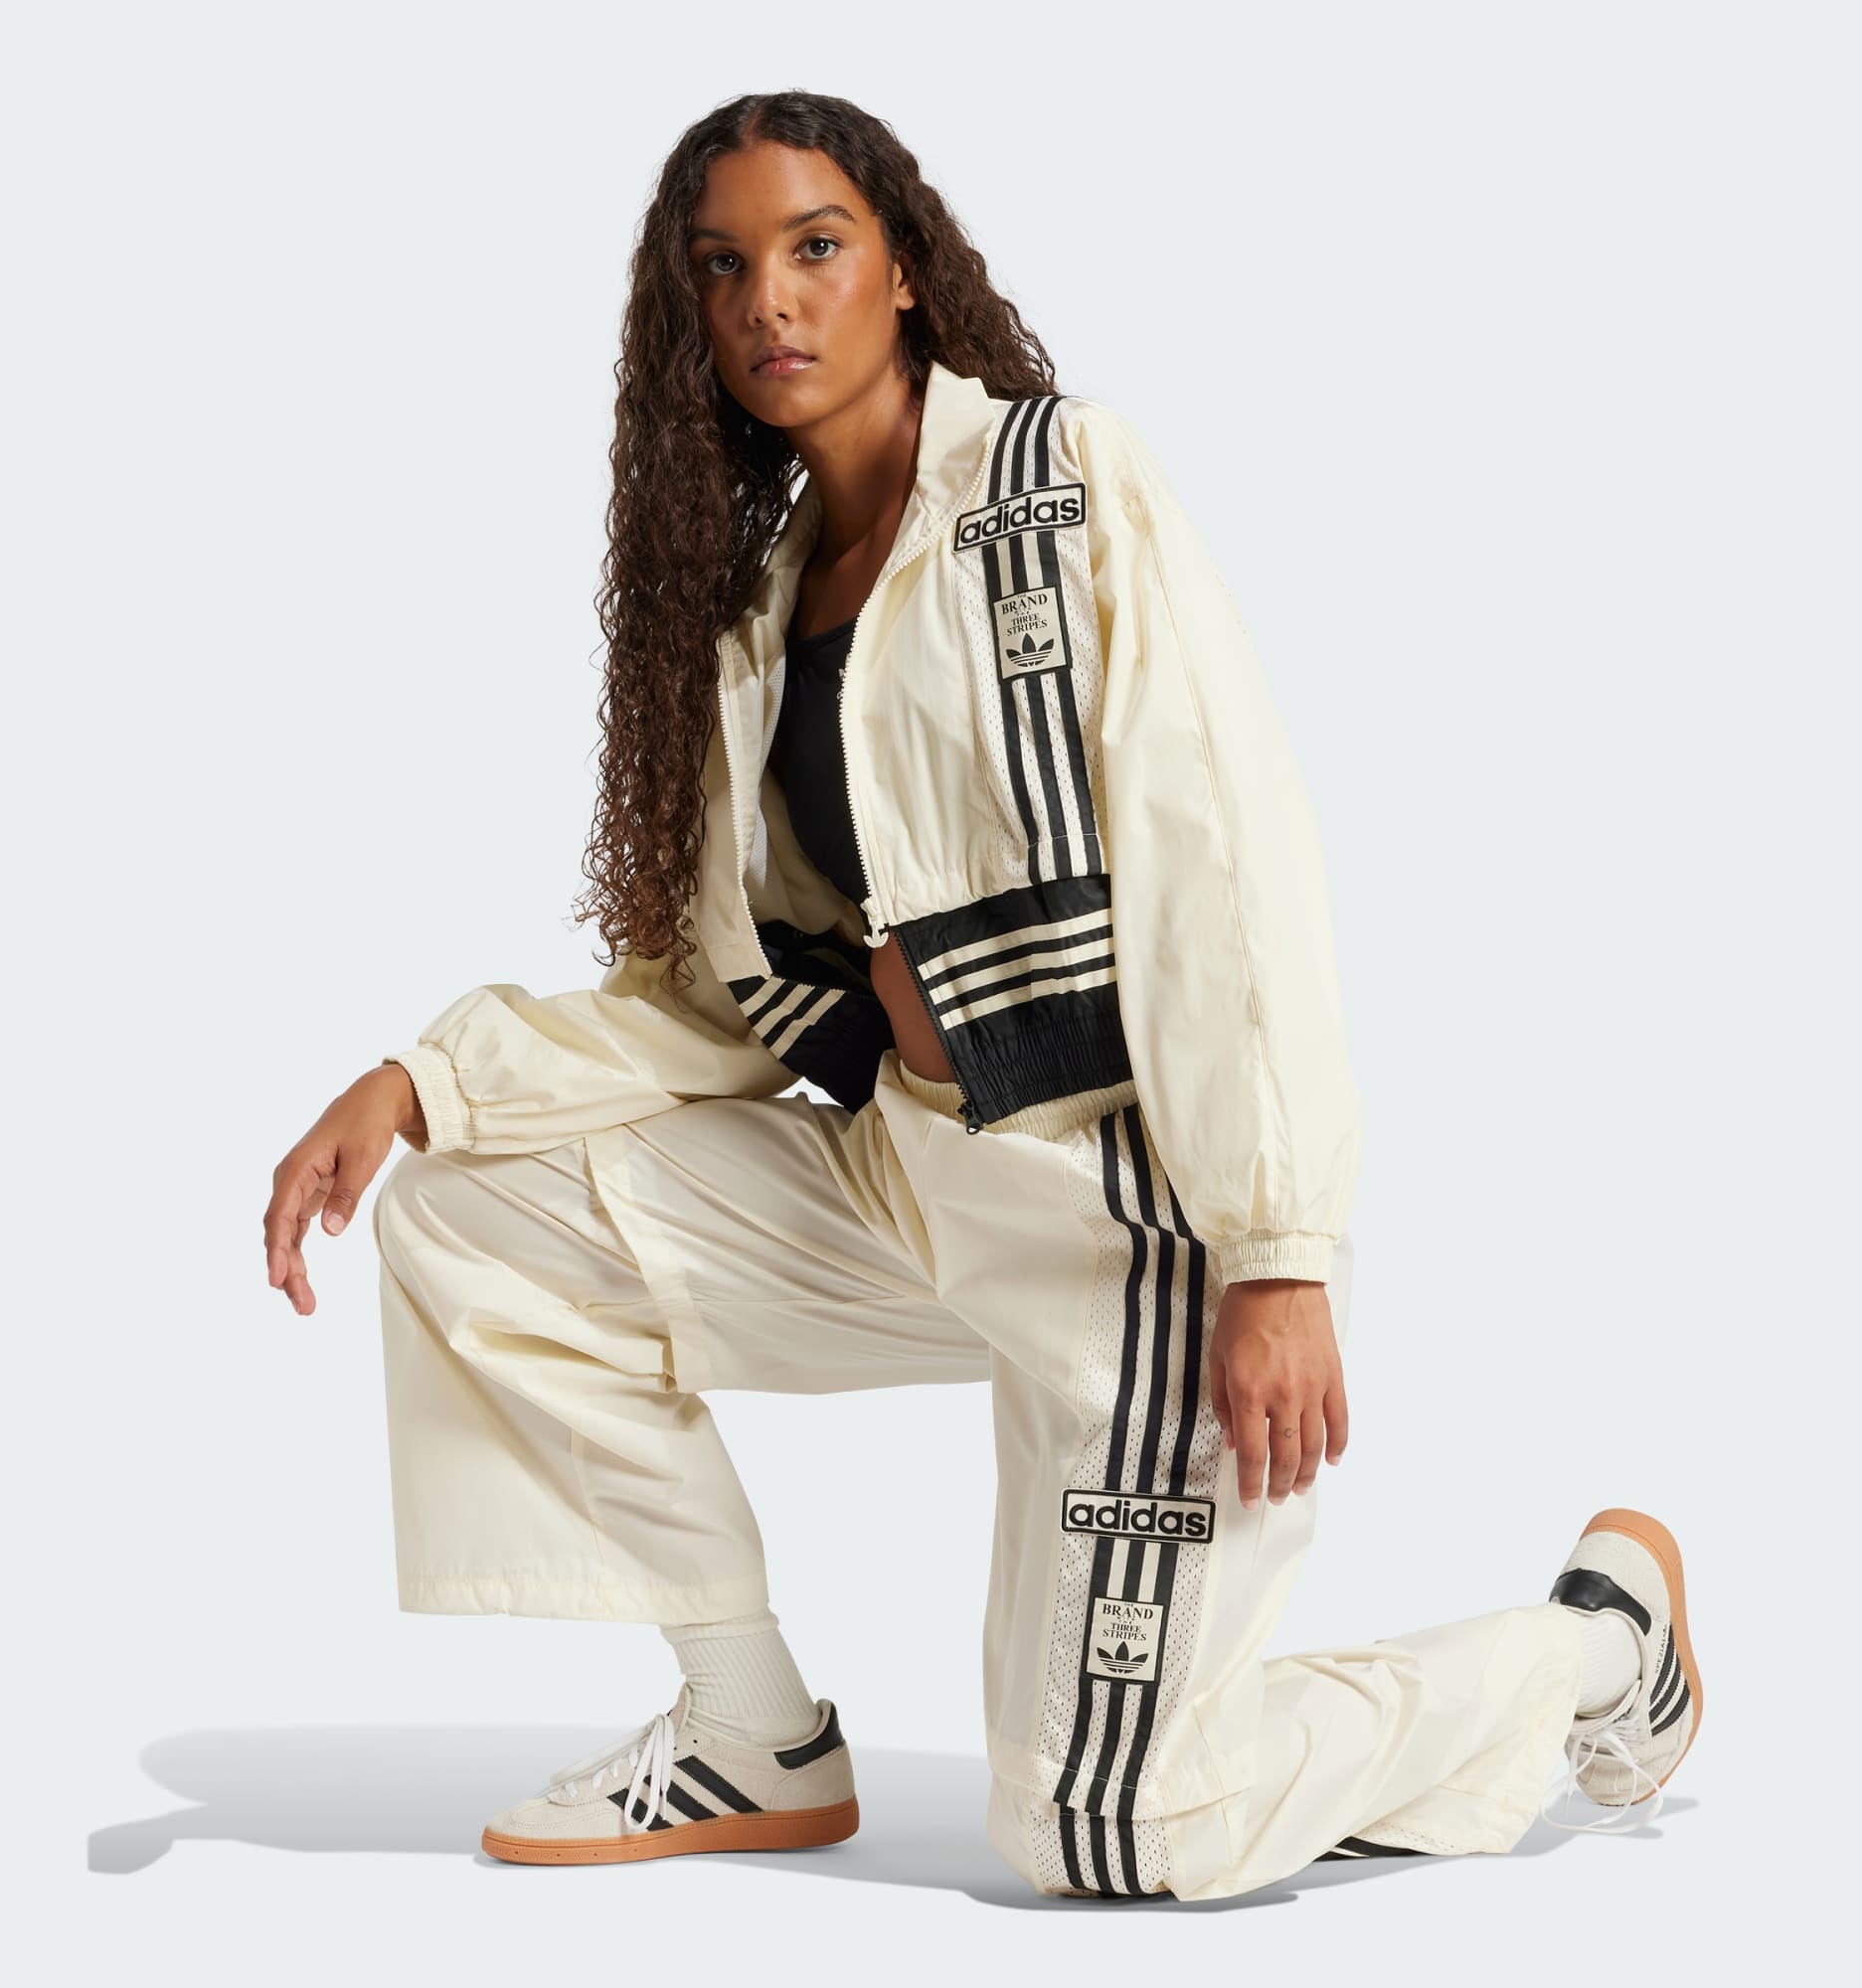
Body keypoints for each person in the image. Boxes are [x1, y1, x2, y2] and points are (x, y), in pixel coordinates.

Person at [261, 90, 1700, 1900]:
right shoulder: (753, 609)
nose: (770, 300)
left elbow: (1222, 861)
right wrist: (424, 1081)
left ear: (904, 271)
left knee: (1118, 1829)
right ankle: (749, 1727)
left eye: (815, 246)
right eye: (723, 267)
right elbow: (717, 1008)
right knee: (475, 1213)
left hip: (1122, 1228)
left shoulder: (1062, 483)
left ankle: (1597, 1647)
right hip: (903, 1183)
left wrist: (1277, 1250)